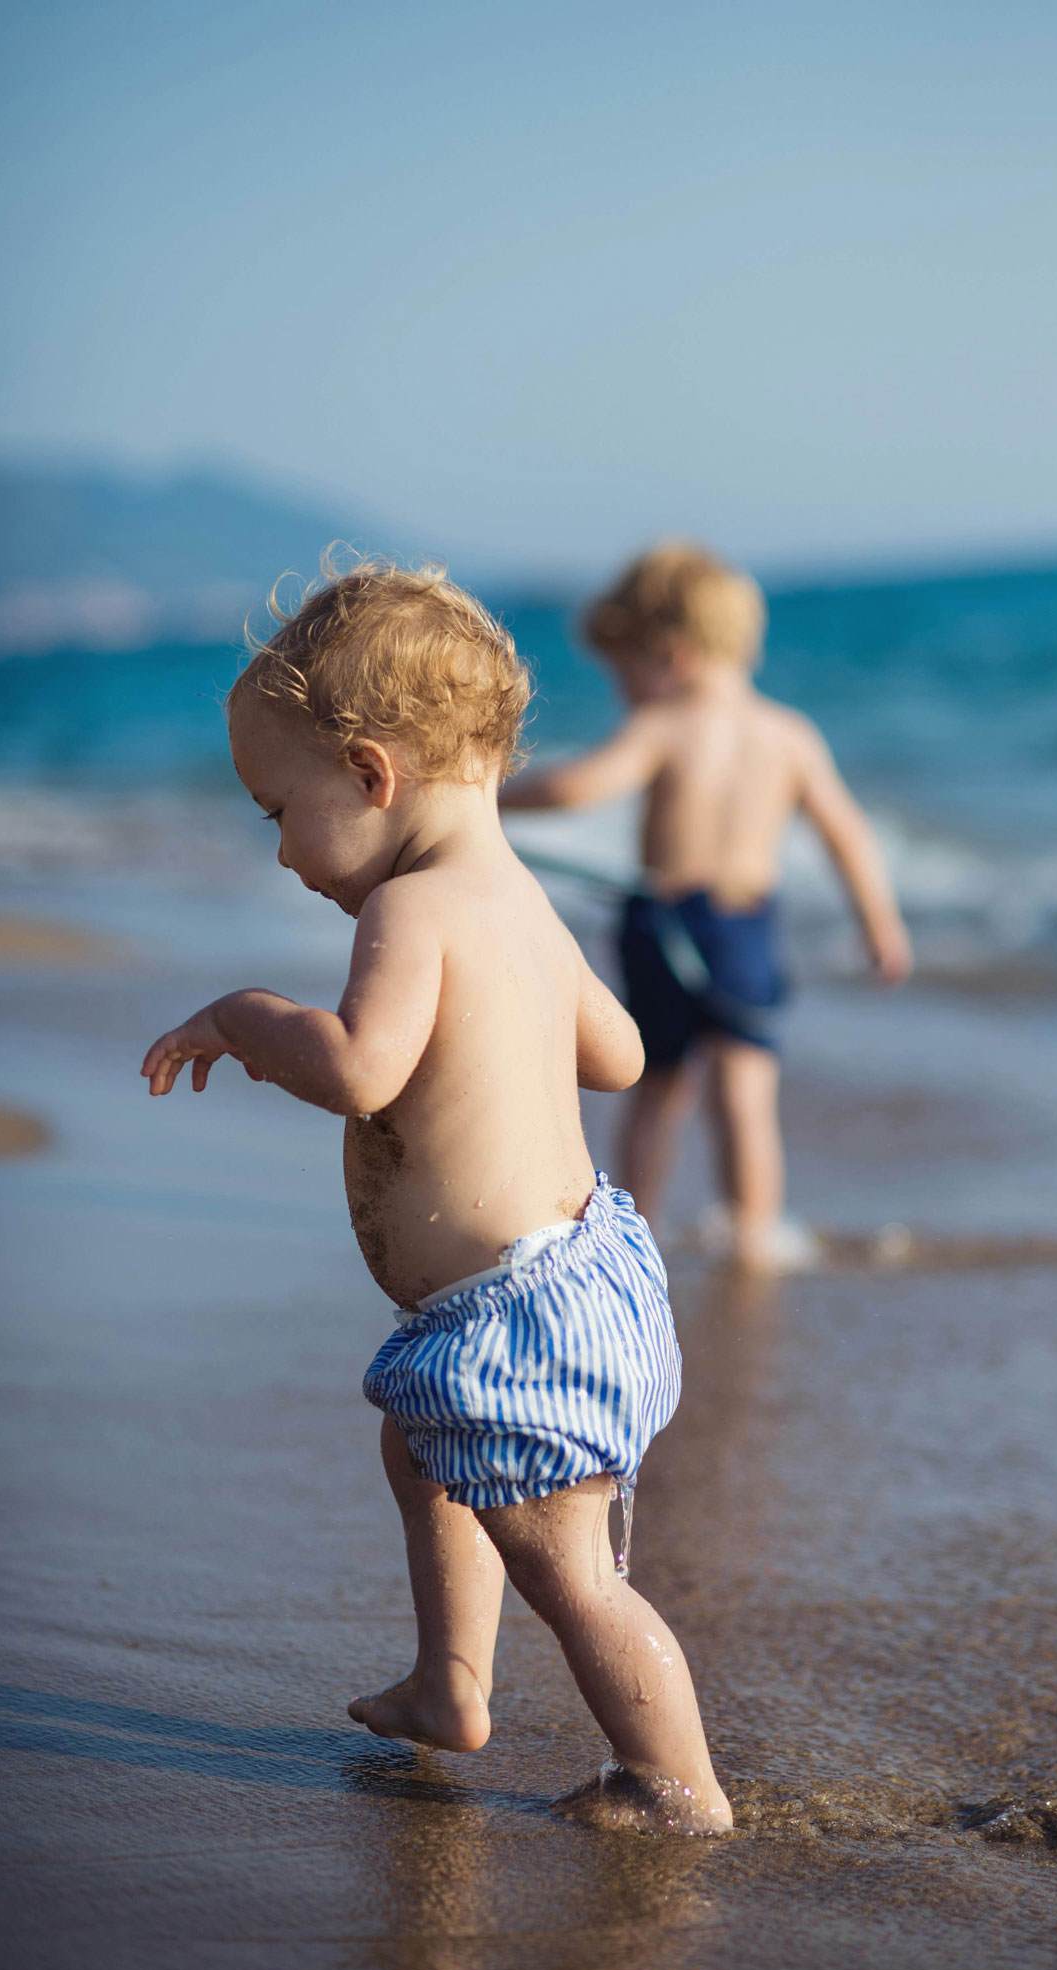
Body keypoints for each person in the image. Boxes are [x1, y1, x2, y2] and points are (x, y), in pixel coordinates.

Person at [139, 559, 732, 1835]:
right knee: (421, 1450)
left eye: (278, 811)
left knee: (568, 1571)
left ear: (370, 773)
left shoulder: (408, 909)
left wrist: (247, 1016)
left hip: (519, 1313)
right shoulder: (520, 901)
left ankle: (675, 1785)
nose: (283, 850)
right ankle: (449, 1680)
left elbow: (361, 1070)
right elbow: (622, 1053)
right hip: (572, 1278)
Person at [501, 542, 913, 1271]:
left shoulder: (663, 724)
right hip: (744, 925)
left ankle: (634, 1234)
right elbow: (846, 832)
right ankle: (755, 1233)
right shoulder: (790, 735)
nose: (623, 692)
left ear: (671, 654)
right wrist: (880, 925)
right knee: (745, 1091)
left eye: (625, 672)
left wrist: (485, 797)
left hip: (663, 925)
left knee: (656, 1087)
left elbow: (577, 786)